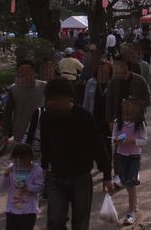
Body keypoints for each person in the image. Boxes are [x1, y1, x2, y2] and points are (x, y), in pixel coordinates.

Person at [40, 79, 113, 230]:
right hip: (56, 177)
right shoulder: (46, 117)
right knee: (55, 219)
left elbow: (98, 146)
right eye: (50, 100)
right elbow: (45, 144)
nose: (52, 104)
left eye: (56, 100)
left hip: (81, 178)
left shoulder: (83, 117)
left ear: (68, 98)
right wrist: (44, 166)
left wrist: (107, 175)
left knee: (80, 222)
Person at [112, 98, 147, 226]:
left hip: (134, 157)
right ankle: (135, 201)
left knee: (131, 183)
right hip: (121, 156)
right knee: (125, 181)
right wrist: (117, 140)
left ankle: (131, 212)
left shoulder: (140, 124)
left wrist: (133, 141)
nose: (127, 116)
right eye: (125, 113)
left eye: (130, 113)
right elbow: (113, 138)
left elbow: (144, 140)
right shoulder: (118, 122)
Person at [1, 143, 44, 230]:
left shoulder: (37, 170)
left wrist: (27, 186)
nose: (21, 161)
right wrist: (5, 175)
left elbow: (40, 187)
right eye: (18, 158)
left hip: (29, 210)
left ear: (30, 157)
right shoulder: (11, 168)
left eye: (24, 158)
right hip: (12, 209)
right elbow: (3, 186)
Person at [5, 60, 47, 144]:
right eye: (21, 71)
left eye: (28, 70)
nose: (24, 73)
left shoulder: (44, 86)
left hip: (40, 131)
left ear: (34, 72)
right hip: (20, 131)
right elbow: (7, 112)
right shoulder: (13, 89)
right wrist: (5, 133)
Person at [106, 57, 151, 126]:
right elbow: (109, 103)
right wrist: (110, 121)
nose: (116, 68)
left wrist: (134, 104)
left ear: (127, 66)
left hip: (136, 121)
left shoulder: (140, 81)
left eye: (119, 65)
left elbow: (148, 100)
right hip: (118, 121)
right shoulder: (114, 82)